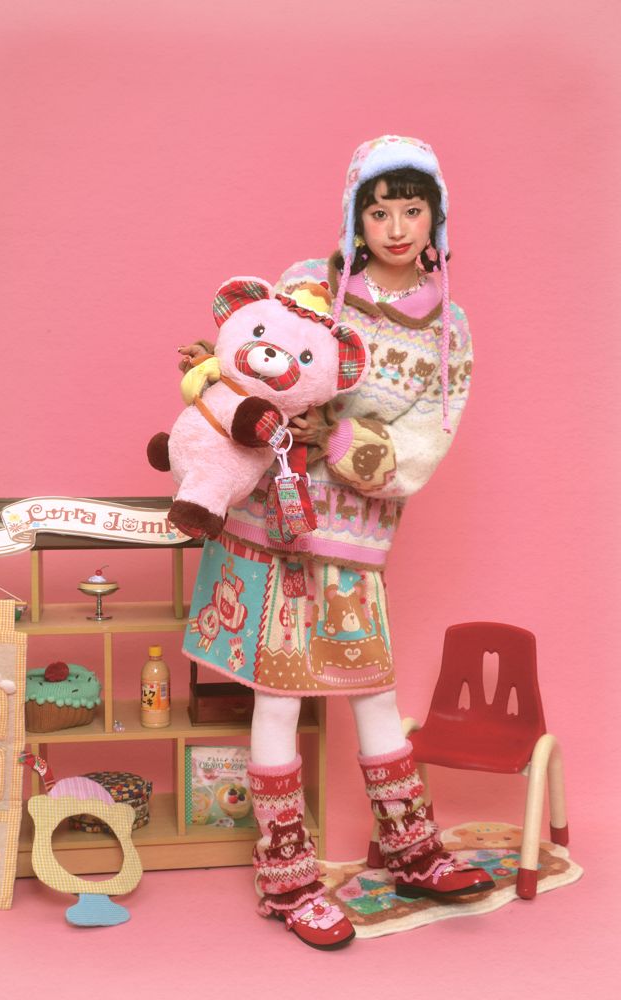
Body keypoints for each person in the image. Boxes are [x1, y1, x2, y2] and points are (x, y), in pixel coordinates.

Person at [177, 135, 492, 951]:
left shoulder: (449, 329)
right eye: (379, 212)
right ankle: (285, 878)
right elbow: (257, 363)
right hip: (275, 519)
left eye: (412, 210)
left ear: (436, 219)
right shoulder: (308, 285)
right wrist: (227, 379)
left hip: (356, 531)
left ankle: (411, 849)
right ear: (357, 217)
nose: (397, 228)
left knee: (373, 690)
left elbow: (426, 438)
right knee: (279, 696)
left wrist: (339, 437)